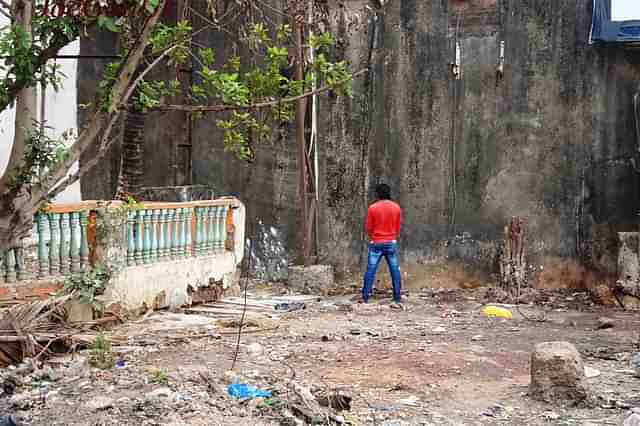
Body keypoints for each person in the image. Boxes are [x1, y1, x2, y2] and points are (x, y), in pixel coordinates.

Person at [362, 183, 402, 306]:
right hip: (391, 242)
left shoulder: (372, 208)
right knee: (394, 270)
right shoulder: (396, 207)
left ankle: (365, 297)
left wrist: (374, 236)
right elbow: (398, 226)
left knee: (370, 270)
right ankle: (397, 297)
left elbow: (368, 227)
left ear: (377, 194)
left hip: (376, 242)